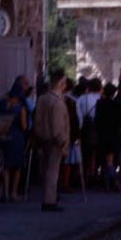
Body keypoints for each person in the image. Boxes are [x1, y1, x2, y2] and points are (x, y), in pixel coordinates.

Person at [33, 67, 70, 211]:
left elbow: (37, 120)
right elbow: (58, 126)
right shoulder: (58, 103)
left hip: (42, 138)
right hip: (55, 142)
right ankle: (49, 200)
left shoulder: (42, 99)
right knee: (52, 172)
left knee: (46, 170)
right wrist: (63, 143)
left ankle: (49, 197)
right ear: (61, 84)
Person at [0, 77, 30, 202]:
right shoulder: (20, 108)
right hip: (17, 137)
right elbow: (24, 125)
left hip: (4, 136)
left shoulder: (2, 103)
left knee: (6, 166)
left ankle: (5, 192)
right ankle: (13, 192)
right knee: (17, 166)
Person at [94, 81, 121, 190]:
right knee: (111, 159)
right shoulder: (117, 105)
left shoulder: (100, 104)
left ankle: (106, 179)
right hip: (113, 134)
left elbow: (97, 119)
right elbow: (120, 120)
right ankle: (112, 180)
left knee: (104, 159)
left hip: (102, 134)